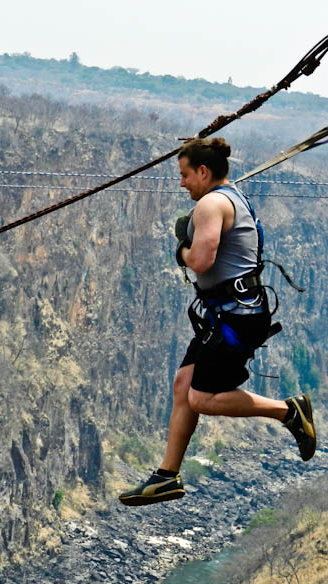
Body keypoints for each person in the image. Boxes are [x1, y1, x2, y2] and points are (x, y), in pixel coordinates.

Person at [118, 138, 316, 507]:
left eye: (185, 175)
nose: (182, 184)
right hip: (225, 314)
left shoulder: (212, 203)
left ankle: (289, 411)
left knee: (202, 399)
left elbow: (200, 262)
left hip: (235, 317)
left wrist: (181, 248)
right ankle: (167, 476)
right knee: (184, 385)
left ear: (203, 172)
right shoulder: (231, 196)